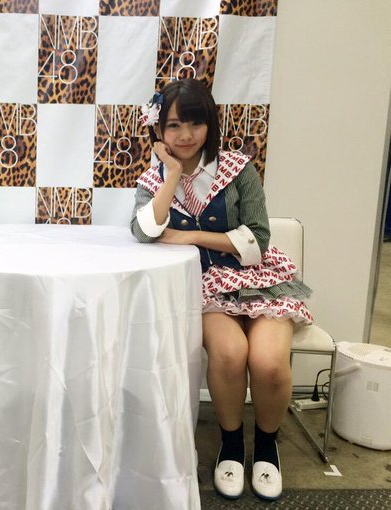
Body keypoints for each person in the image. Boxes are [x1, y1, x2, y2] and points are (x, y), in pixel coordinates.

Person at [130, 78, 313, 502]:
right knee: (229, 355)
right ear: (159, 130)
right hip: (208, 287)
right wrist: (173, 174)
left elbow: (259, 240)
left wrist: (191, 236)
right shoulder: (153, 179)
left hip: (260, 280)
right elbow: (145, 231)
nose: (186, 135)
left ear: (210, 124)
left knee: (269, 363)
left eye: (195, 123)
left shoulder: (238, 169)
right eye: (174, 125)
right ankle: (231, 446)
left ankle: (266, 448)